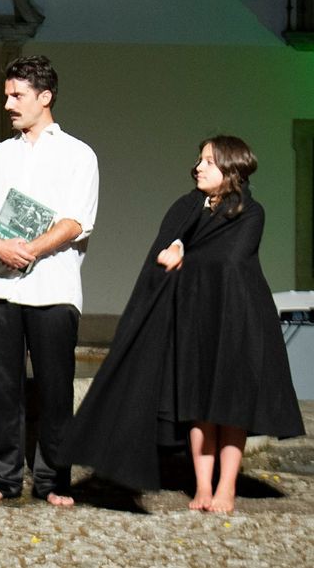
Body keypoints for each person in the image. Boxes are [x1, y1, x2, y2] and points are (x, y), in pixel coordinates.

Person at [61, 136, 304, 513]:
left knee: (229, 403)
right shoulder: (188, 207)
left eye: (209, 161)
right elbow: (167, 245)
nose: (199, 167)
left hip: (235, 318)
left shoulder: (250, 211)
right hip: (193, 315)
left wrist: (183, 252)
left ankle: (225, 488)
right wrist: (175, 245)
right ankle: (202, 487)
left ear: (231, 168)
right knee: (196, 402)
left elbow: (231, 259)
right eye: (200, 159)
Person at [0, 55, 99, 507]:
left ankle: (52, 481)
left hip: (54, 288)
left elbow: (77, 219)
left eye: (16, 95)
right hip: (1, 286)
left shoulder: (79, 155)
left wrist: (32, 248)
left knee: (56, 389)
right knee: (3, 387)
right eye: (6, 95)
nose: (7, 103)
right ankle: (2, 479)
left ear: (45, 97)